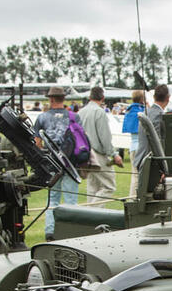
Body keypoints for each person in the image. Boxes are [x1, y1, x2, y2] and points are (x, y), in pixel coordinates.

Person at [33, 87, 79, 241]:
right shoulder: (74, 116)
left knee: (53, 199)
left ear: (51, 99)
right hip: (70, 162)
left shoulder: (42, 118)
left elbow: (37, 143)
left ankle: (50, 231)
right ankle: (71, 231)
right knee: (71, 200)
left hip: (52, 162)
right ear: (63, 99)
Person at [78, 85, 121, 205]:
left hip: (85, 153)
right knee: (109, 186)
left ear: (89, 97)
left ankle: (91, 214)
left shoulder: (80, 112)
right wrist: (114, 154)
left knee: (93, 188)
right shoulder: (99, 112)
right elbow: (104, 137)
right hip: (98, 154)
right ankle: (91, 211)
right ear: (103, 98)